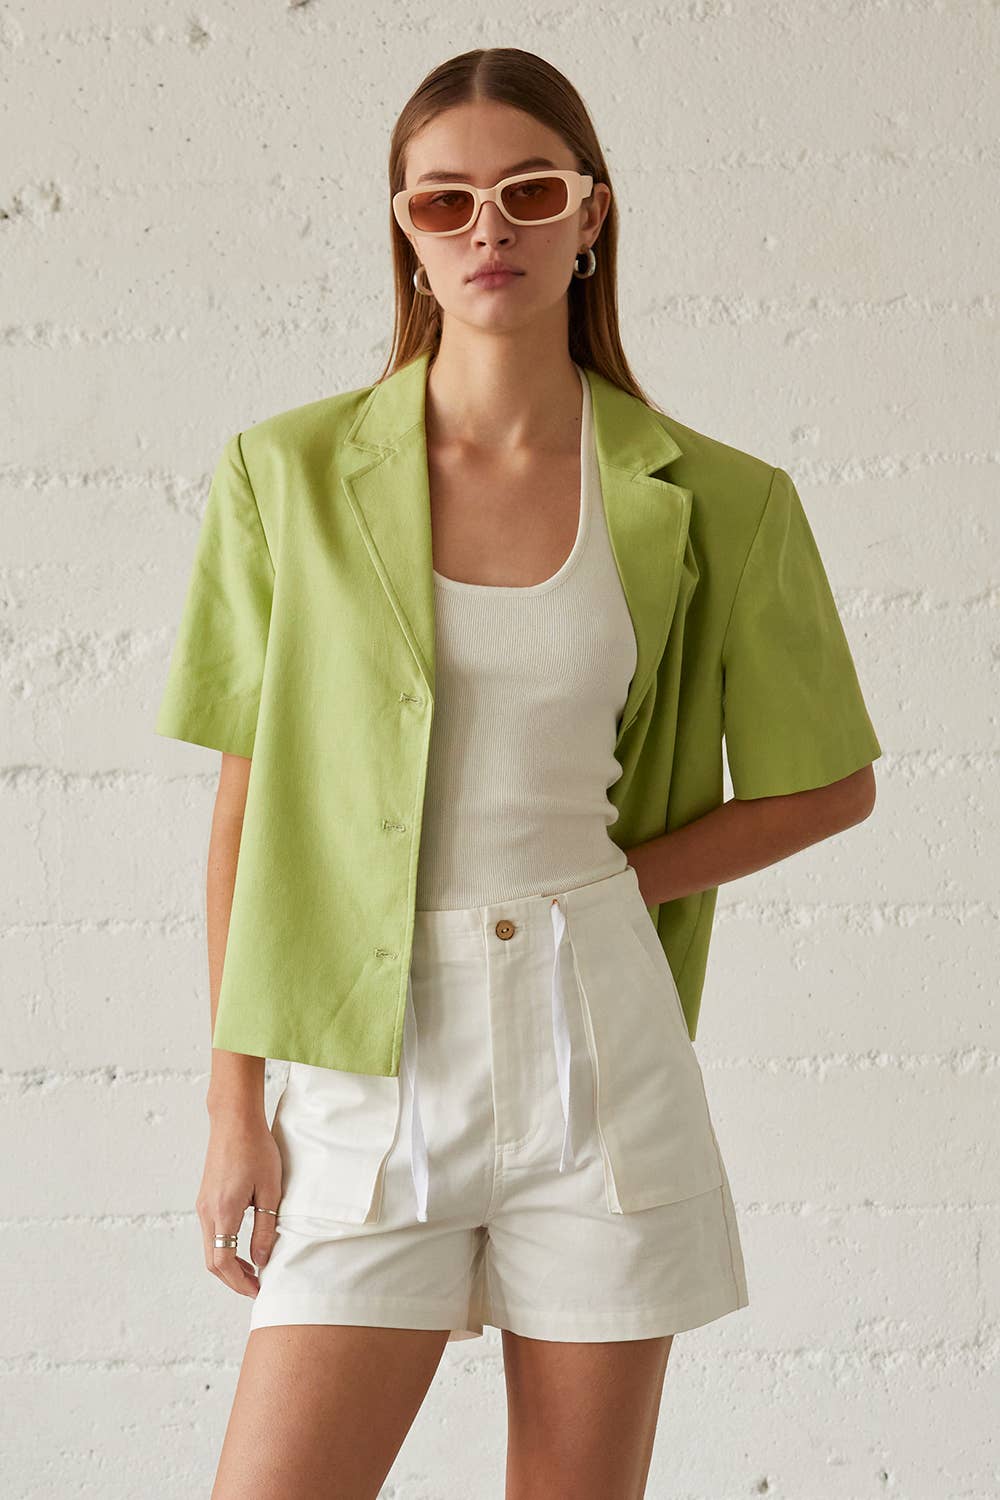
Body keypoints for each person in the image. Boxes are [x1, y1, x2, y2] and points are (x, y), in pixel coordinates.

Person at [155, 47, 882, 1500]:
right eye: (445, 201)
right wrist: (235, 1107)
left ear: (589, 214)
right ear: (407, 235)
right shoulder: (282, 477)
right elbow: (244, 808)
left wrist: (609, 884)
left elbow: (829, 784)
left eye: (529, 192)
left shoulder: (720, 500)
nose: (488, 228)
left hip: (597, 1057)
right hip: (362, 1069)